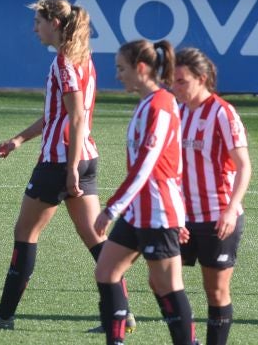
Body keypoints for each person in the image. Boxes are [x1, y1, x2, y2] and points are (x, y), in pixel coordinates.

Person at [0, 0, 134, 332]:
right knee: (93, 237)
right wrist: (19, 140)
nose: (34, 29)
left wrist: (69, 167)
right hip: (85, 158)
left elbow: (76, 118)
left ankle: (4, 316)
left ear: (54, 23)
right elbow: (57, 115)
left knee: (25, 233)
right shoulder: (83, 59)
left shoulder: (65, 63)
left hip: (61, 162)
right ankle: (120, 312)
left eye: (38, 22)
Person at [94, 39, 196, 345]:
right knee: (106, 271)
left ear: (141, 68)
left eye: (121, 68)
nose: (117, 75)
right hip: (139, 212)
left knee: (166, 285)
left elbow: (146, 166)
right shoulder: (147, 104)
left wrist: (111, 208)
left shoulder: (162, 106)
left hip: (158, 213)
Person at [172, 47, 251, 345]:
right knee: (161, 281)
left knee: (215, 291)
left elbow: (244, 166)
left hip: (218, 218)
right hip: (181, 218)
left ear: (201, 79)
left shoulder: (222, 112)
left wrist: (231, 210)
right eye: (173, 80)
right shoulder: (176, 112)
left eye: (182, 81)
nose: (175, 87)